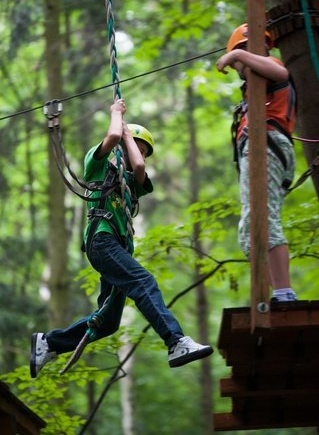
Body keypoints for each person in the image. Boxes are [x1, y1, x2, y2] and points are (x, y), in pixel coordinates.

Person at [30, 98, 213, 378]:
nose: (134, 154)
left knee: (108, 323)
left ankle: (49, 343)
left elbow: (139, 169)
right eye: (132, 148)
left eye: (141, 151)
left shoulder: (131, 185)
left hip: (114, 246)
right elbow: (113, 135)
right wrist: (117, 117)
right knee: (143, 282)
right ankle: (176, 342)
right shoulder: (98, 165)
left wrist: (131, 138)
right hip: (101, 241)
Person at [216, 23, 297, 302]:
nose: (244, 58)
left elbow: (280, 72)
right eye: (241, 53)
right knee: (251, 227)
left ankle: (284, 293)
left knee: (262, 219)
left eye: (248, 52)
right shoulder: (254, 89)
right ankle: (275, 291)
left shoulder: (271, 67)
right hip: (264, 150)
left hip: (268, 147)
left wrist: (234, 56)